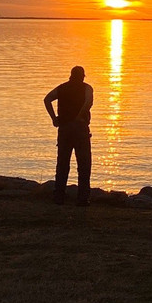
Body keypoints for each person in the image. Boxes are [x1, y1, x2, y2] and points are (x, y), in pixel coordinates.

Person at [43, 65, 94, 206]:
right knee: (84, 164)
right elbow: (88, 102)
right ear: (82, 76)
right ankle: (83, 199)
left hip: (64, 129)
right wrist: (79, 116)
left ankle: (59, 196)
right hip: (80, 129)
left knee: (63, 164)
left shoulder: (62, 88)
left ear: (71, 76)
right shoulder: (87, 88)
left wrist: (54, 118)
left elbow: (47, 99)